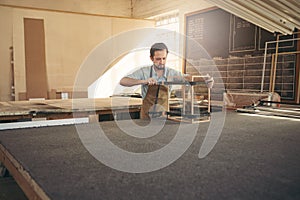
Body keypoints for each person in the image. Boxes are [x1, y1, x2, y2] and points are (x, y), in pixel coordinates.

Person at [120, 42, 214, 99]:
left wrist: (205, 79)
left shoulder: (171, 73)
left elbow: (188, 78)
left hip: (165, 113)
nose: (161, 62)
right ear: (151, 58)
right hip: (146, 113)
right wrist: (144, 81)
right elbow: (123, 81)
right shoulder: (144, 72)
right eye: (158, 59)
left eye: (164, 58)